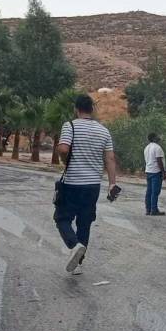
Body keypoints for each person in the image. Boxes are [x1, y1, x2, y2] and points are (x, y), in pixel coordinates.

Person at [54, 94, 120, 275]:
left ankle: (74, 246)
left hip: (72, 182)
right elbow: (110, 159)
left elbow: (63, 149)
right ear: (92, 109)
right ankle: (79, 264)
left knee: (62, 218)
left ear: (76, 109)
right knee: (85, 222)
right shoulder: (103, 131)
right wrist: (112, 183)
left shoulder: (70, 126)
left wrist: (63, 158)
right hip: (92, 185)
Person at [143, 132, 166, 216]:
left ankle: (148, 209)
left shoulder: (147, 148)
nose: (158, 137)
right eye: (157, 136)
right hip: (156, 172)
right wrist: (163, 171)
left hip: (148, 171)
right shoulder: (157, 148)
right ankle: (154, 210)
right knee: (155, 192)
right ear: (153, 138)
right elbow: (159, 161)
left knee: (149, 191)